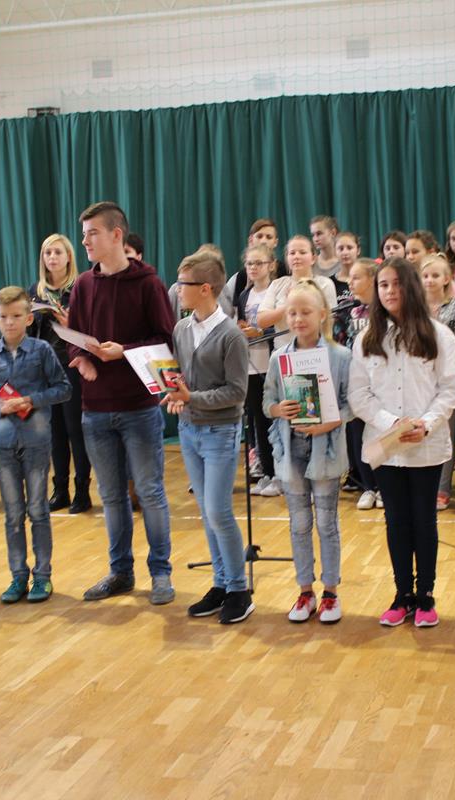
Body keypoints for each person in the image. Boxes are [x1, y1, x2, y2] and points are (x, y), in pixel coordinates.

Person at [67, 201, 178, 605]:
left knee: (149, 492)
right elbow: (73, 338)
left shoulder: (149, 284)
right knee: (111, 497)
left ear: (116, 235)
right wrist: (81, 360)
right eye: (83, 234)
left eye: (92, 233)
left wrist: (124, 352)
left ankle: (161, 573)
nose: (85, 242)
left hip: (139, 408)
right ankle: (120, 572)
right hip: (95, 410)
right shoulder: (82, 285)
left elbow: (165, 342)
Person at [349, 257, 455, 628]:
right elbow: (359, 395)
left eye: (396, 283)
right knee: (396, 521)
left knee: (423, 521)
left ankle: (426, 596)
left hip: (427, 447)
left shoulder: (439, 335)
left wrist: (425, 424)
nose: (389, 291)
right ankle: (403, 595)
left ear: (411, 287)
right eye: (383, 285)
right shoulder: (366, 339)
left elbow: (451, 389)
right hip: (386, 446)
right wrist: (392, 424)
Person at [165, 248, 253, 624]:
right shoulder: (182, 329)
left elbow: (236, 392)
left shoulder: (231, 335)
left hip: (220, 431)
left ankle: (239, 590)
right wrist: (174, 394)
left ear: (205, 288)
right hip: (190, 430)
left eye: (182, 283)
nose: (176, 289)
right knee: (207, 512)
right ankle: (221, 584)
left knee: (219, 511)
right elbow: (184, 378)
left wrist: (192, 398)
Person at [0, 286, 71, 604]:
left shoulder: (42, 350)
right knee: (13, 514)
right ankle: (18, 576)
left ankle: (42, 576)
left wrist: (32, 399)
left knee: (38, 510)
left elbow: (63, 388)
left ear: (29, 318)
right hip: (2, 445)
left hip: (36, 443)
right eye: (4, 317)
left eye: (16, 316)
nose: (10, 322)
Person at [266, 281, 353, 624]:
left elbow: (351, 404)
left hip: (325, 451)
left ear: (322, 315)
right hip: (291, 450)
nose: (298, 319)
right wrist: (278, 409)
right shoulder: (279, 357)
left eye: (305, 312)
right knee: (299, 523)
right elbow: (267, 400)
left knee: (326, 522)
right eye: (292, 313)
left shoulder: (340, 356)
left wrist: (329, 422)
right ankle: (305, 590)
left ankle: (330, 592)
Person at [29, 233, 92, 514]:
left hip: (72, 364)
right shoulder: (36, 291)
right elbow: (32, 334)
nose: (52, 257)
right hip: (46, 368)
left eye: (57, 252)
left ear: (69, 257)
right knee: (53, 431)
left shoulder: (80, 287)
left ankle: (82, 490)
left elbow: (90, 330)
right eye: (47, 253)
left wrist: (70, 323)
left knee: (74, 429)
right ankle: (60, 489)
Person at [420, 255, 455, 511]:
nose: (429, 280)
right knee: (422, 431)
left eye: (435, 276)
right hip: (420, 379)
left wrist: (434, 357)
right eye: (425, 276)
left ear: (447, 279)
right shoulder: (415, 307)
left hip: (447, 377)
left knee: (445, 433)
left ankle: (442, 488)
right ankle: (424, 486)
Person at [236, 244, 282, 498]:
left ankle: (281, 473)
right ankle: (267, 472)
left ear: (271, 265)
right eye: (249, 263)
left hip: (272, 362)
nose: (253, 268)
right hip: (251, 365)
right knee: (259, 421)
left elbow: (282, 325)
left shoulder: (276, 291)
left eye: (258, 263)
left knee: (276, 420)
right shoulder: (244, 295)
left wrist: (261, 331)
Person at [344, 259, 381, 509]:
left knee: (379, 433)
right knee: (358, 435)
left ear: (372, 280)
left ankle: (383, 487)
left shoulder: (384, 310)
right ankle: (368, 487)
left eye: (356, 277)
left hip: (380, 382)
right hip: (356, 380)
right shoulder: (350, 310)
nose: (350, 282)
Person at [256, 235, 337, 349]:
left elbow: (329, 321)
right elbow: (261, 321)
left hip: (317, 351)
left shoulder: (325, 284)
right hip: (283, 351)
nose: (296, 256)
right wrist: (289, 305)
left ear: (313, 258)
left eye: (302, 252)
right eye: (292, 253)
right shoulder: (277, 284)